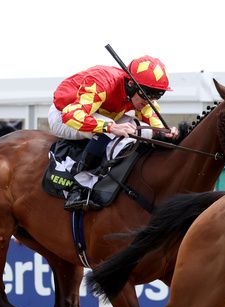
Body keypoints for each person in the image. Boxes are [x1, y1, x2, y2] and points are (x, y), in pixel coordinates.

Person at [49, 55, 177, 211]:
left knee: (142, 130)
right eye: (147, 93)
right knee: (112, 132)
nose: (150, 99)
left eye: (157, 95)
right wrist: (110, 127)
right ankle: (79, 186)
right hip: (63, 115)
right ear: (131, 84)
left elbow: (155, 125)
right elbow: (71, 115)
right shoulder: (102, 82)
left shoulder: (140, 93)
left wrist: (167, 133)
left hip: (97, 113)